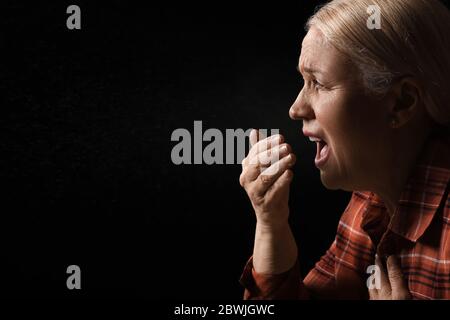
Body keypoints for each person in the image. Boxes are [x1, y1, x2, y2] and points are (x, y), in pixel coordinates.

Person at [239, 0, 450, 300]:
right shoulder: (369, 201)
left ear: (401, 102)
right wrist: (270, 224)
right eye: (303, 81)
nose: (295, 109)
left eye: (319, 83)